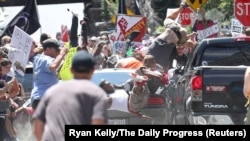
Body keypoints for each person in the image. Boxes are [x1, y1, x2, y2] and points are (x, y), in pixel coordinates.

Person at [32, 50, 108, 141]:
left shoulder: (51, 92)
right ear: (93, 71)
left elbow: (37, 128)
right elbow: (98, 125)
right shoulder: (97, 94)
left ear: (71, 69)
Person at [30, 38, 69, 110]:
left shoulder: (38, 58)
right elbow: (53, 66)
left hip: (39, 98)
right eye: (56, 50)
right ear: (47, 49)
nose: (58, 52)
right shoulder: (46, 59)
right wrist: (62, 54)